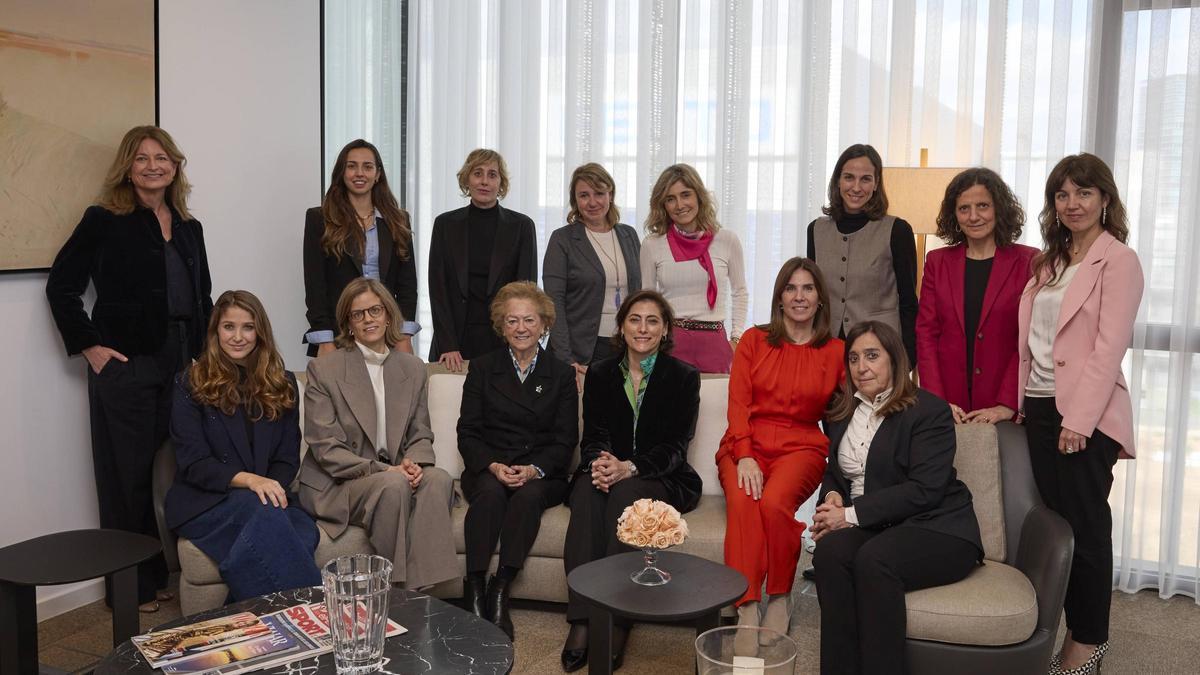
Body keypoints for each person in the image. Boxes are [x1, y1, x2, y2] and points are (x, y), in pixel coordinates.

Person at [46, 125, 213, 612]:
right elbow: (61, 287)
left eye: (162, 157)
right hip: (128, 364)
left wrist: (206, 354)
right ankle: (128, 589)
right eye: (142, 158)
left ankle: (165, 571)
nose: (153, 166)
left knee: (181, 467)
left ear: (175, 165)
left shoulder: (187, 226)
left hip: (184, 362)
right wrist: (91, 347)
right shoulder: (103, 220)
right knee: (128, 478)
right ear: (127, 166)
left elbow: (201, 294)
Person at [1017, 154, 1142, 675]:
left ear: (1104, 199)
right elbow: (1033, 342)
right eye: (1063, 195)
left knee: (1087, 526)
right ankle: (1070, 625)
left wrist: (1079, 420)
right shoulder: (1050, 263)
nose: (1072, 203)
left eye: (1083, 193)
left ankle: (1088, 639)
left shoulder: (1119, 260)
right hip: (1040, 405)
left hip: (1082, 414)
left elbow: (1109, 348)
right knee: (1057, 526)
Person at [811, 321, 982, 675]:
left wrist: (850, 516)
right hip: (880, 525)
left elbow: (925, 490)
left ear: (895, 360)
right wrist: (832, 497)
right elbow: (837, 471)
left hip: (939, 528)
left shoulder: (928, 411)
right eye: (855, 358)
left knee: (874, 560)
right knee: (829, 553)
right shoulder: (843, 412)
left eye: (873, 356)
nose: (862, 367)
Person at [560, 290, 703, 672]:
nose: (643, 328)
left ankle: (616, 618)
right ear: (621, 327)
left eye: (652, 320)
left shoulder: (684, 378)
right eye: (634, 320)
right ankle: (582, 620)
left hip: (661, 477)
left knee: (626, 493)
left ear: (665, 329)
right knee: (588, 494)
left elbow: (675, 447)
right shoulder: (602, 373)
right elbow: (592, 437)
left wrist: (630, 467)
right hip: (609, 471)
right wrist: (600, 463)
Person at [297, 278, 457, 590]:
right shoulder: (325, 369)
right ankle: (395, 592)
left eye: (375, 310)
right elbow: (326, 448)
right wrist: (389, 470)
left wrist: (415, 464)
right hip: (340, 482)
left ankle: (419, 593)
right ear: (348, 323)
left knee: (438, 479)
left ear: (388, 315)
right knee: (393, 483)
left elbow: (421, 432)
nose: (368, 319)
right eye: (358, 314)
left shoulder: (412, 367)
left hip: (394, 473)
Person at [716, 258, 844, 646]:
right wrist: (746, 453)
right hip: (745, 443)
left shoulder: (836, 351)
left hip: (801, 446)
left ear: (820, 298)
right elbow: (738, 402)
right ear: (780, 297)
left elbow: (848, 411)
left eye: (807, 288)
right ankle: (747, 603)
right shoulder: (754, 340)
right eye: (791, 288)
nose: (799, 296)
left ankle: (781, 594)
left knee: (773, 503)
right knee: (743, 502)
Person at [165, 290, 321, 601]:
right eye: (228, 327)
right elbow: (194, 462)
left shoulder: (283, 382)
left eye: (248, 327)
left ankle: (237, 614)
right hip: (206, 501)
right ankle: (319, 617)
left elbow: (287, 458)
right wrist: (251, 481)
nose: (238, 337)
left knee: (304, 529)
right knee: (278, 521)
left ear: (260, 332)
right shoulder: (191, 382)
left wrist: (267, 485)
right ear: (215, 332)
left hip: (264, 499)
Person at [456, 282, 578, 639]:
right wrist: (493, 466)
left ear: (543, 325)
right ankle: (475, 585)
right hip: (489, 465)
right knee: (491, 495)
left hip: (542, 470)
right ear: (501, 326)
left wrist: (532, 469)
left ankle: (501, 587)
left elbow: (565, 439)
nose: (521, 328)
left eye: (529, 320)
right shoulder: (481, 368)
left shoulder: (561, 373)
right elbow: (468, 431)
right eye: (512, 321)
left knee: (527, 497)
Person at [917, 168, 1038, 424]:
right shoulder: (937, 262)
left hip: (1002, 407)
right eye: (964, 208)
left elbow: (1028, 339)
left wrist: (1007, 404)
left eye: (983, 206)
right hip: (948, 405)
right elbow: (926, 335)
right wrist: (937, 401)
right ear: (954, 214)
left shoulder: (1028, 261)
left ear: (999, 209)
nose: (973, 217)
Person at [303, 139, 418, 357]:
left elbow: (407, 285)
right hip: (338, 333)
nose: (359, 173)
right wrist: (324, 339)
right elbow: (315, 287)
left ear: (378, 175)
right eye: (351, 166)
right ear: (342, 172)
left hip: (387, 331)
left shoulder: (398, 220)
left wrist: (404, 334)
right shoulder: (319, 219)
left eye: (367, 167)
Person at [807, 144, 919, 367]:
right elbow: (813, 293)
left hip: (881, 350)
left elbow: (908, 301)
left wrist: (907, 357)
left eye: (865, 179)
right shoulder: (816, 230)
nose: (856, 187)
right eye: (849, 177)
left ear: (876, 183)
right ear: (838, 181)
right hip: (827, 349)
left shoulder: (898, 230)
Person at [427, 148, 538, 371]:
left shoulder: (522, 226)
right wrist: (448, 344)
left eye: (492, 174)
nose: (484, 181)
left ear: (501, 183)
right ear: (467, 180)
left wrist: (516, 342)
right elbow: (437, 288)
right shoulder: (445, 225)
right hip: (454, 342)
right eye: (477, 173)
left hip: (503, 339)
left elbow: (526, 291)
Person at [639, 163, 748, 373]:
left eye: (685, 194)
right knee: (668, 406)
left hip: (714, 342)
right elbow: (648, 300)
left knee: (715, 404)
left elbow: (740, 291)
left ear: (698, 196)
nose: (680, 205)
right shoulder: (652, 244)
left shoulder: (726, 240)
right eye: (670, 199)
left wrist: (737, 338)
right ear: (663, 205)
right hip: (670, 343)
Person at [543, 162, 642, 388]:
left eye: (599, 193)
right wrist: (566, 357)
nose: (593, 202)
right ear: (575, 201)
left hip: (626, 345)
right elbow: (553, 302)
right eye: (584, 195)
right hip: (582, 349)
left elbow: (640, 292)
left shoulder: (628, 235)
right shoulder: (563, 239)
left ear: (611, 194)